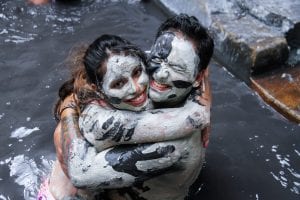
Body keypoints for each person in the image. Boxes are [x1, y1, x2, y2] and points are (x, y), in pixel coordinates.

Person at [44, 30, 210, 199]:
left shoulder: (147, 66)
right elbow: (81, 175)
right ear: (99, 90)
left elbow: (181, 58)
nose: (136, 88)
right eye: (118, 84)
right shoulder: (97, 121)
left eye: (137, 72)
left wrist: (203, 91)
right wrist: (200, 113)